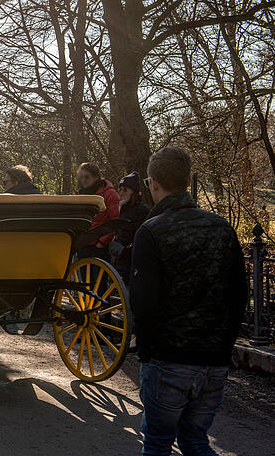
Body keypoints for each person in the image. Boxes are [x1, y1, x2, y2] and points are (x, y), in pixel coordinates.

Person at [131, 147, 246, 456]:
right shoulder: (222, 227)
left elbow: (143, 302)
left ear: (152, 183)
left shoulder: (150, 231)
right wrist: (225, 346)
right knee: (195, 441)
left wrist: (147, 352)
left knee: (157, 444)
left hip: (169, 357)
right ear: (190, 180)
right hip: (214, 358)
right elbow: (239, 294)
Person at [109, 171, 150, 280]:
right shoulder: (121, 209)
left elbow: (142, 240)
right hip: (120, 265)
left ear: (134, 193)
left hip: (134, 266)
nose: (121, 193)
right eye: (120, 189)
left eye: (125, 190)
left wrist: (123, 251)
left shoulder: (142, 211)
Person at [76, 162, 119, 260]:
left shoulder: (109, 193)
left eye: (87, 177)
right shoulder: (79, 195)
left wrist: (102, 243)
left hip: (98, 246)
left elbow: (115, 221)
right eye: (81, 177)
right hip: (82, 244)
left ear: (96, 177)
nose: (83, 180)